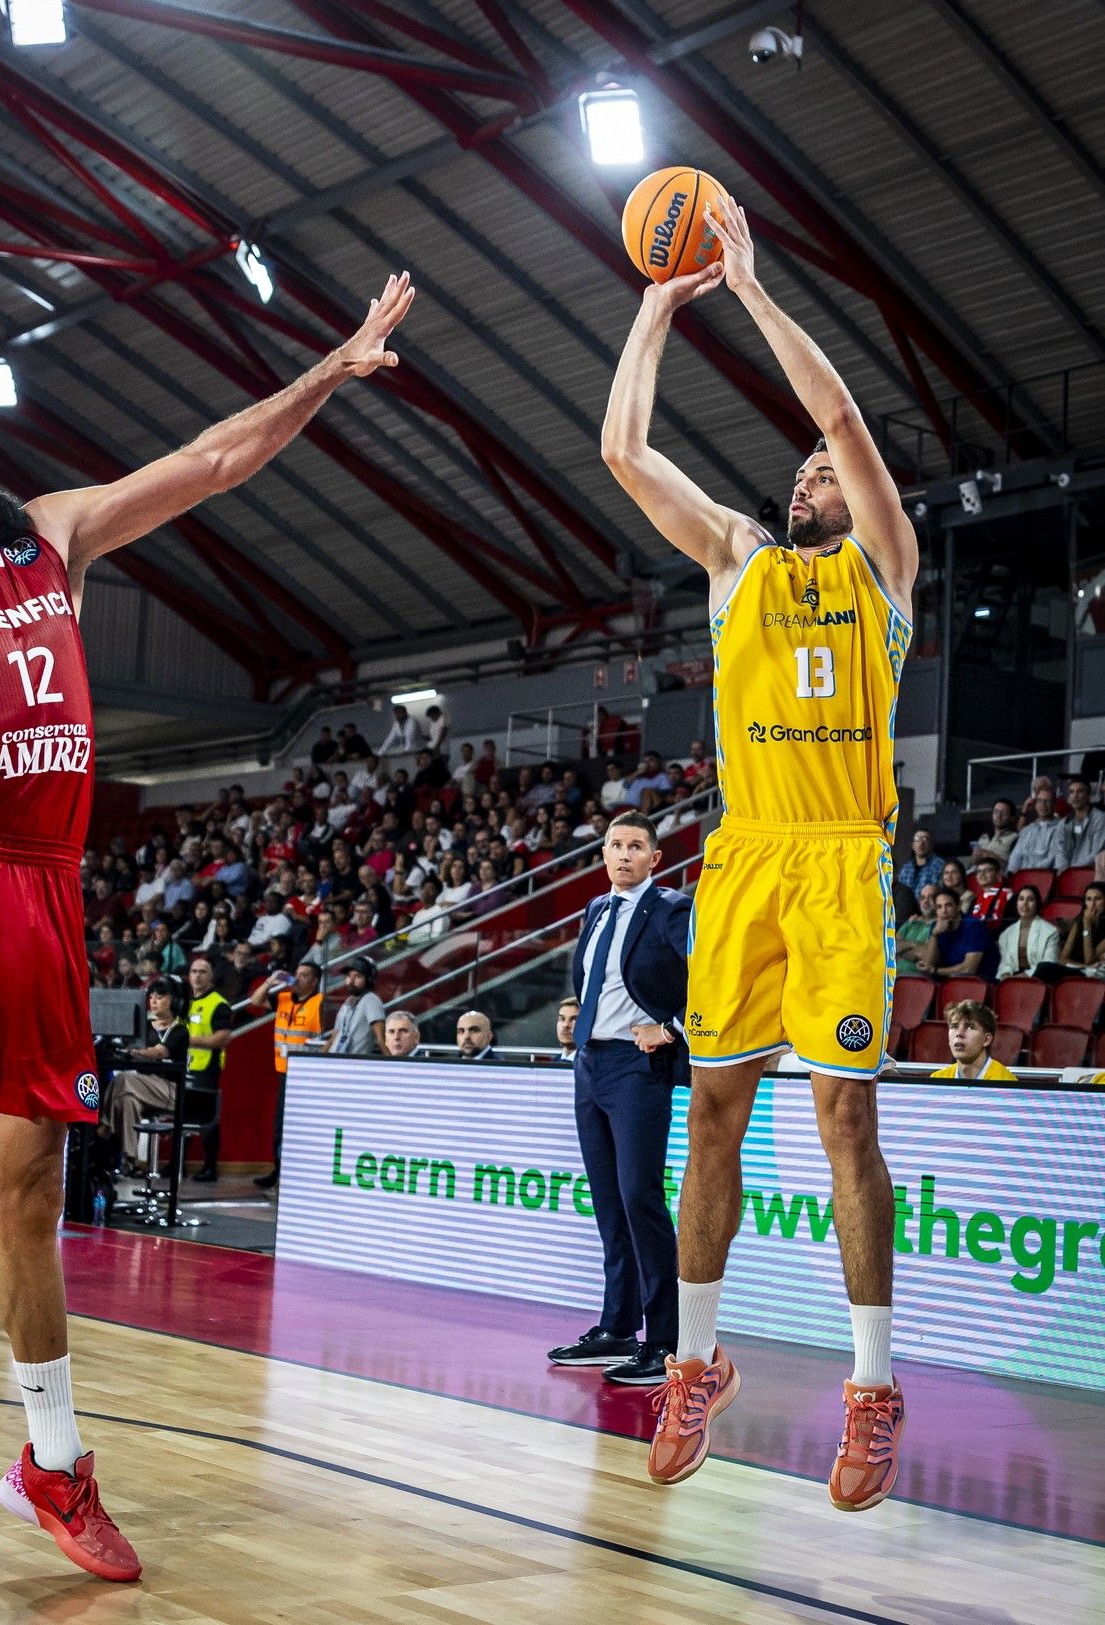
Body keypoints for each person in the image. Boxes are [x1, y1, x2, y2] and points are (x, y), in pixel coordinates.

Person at [0, 282, 431, 1578]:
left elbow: (212, 459)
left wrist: (329, 367)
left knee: (25, 1190)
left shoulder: (50, 534)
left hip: (40, 890)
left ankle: (52, 1461)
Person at [603, 195, 916, 1508]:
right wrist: (657, 309)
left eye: (824, 474)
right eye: (796, 476)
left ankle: (872, 1385)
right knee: (713, 1115)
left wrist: (750, 281)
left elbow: (841, 416)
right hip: (745, 863)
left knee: (844, 1116)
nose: (808, 479)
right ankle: (694, 1362)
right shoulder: (738, 560)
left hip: (843, 859)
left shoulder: (885, 575)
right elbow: (624, 449)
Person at [547, 813, 690, 1385]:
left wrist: (672, 1026)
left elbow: (710, 975)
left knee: (640, 1199)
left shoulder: (673, 908)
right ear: (603, 853)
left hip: (639, 1066)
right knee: (608, 1202)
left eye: (636, 846)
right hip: (591, 1063)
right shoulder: (595, 909)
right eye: (615, 845)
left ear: (655, 858)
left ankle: (665, 1339)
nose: (624, 854)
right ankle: (616, 1327)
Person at [247, 961, 323, 1192]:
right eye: (297, 973)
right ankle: (278, 1169)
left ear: (315, 981)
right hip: (284, 1072)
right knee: (280, 1125)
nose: (298, 979)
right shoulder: (283, 998)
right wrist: (271, 981)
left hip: (309, 1075)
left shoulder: (320, 1003)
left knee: (302, 1126)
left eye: (305, 975)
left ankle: (298, 1173)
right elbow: (254, 1001)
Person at [100, 978, 189, 1171]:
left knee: (123, 1080)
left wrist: (133, 1052)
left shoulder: (179, 1030)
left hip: (170, 1090)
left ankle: (103, 1128)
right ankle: (131, 1160)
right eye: (152, 997)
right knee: (126, 1101)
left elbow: (159, 1052)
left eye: (160, 996)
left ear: (173, 1001)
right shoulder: (144, 1027)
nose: (154, 1001)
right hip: (141, 1088)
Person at [183, 955, 233, 1181]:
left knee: (207, 1120)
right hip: (183, 1066)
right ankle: (178, 1164)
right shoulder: (185, 1002)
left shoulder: (218, 1003)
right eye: (194, 971)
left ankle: (210, 1166)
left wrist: (190, 1041)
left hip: (206, 1068)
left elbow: (223, 1037)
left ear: (211, 976)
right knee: (181, 1117)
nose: (197, 976)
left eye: (203, 972)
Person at [930, 1001, 1017, 1082]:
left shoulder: (1005, 1082)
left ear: (986, 1040)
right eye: (954, 1026)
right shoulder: (937, 1079)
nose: (959, 1034)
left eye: (970, 1027)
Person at [921, 888, 997, 980]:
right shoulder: (936, 926)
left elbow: (969, 969)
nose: (944, 911)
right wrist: (935, 935)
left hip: (978, 982)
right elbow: (929, 964)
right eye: (939, 907)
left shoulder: (974, 926)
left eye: (948, 905)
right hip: (948, 981)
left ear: (958, 906)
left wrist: (936, 971)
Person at [996, 886, 1061, 979]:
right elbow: (1005, 964)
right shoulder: (1006, 934)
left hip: (1037, 978)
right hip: (1013, 978)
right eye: (1021, 899)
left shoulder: (1050, 932)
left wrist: (1024, 976)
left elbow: (1049, 964)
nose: (1024, 903)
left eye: (1030, 900)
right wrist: (1005, 975)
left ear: (1037, 905)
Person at [328, 958, 386, 1056]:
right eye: (349, 975)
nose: (351, 980)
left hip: (353, 1064)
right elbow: (332, 1039)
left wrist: (394, 1064)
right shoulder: (347, 1002)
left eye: (358, 976)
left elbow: (381, 1041)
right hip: (335, 1060)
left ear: (369, 979)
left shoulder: (371, 1000)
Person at [1006, 788, 1063, 873]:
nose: (1043, 805)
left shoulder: (1063, 827)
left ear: (1054, 804)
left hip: (1046, 877)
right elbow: (1015, 857)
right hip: (1023, 878)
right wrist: (1011, 874)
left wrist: (1031, 872)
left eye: (1047, 801)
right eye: (1039, 801)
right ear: (1035, 805)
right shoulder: (1027, 830)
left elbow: (1055, 859)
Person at [1058, 883, 1105, 977]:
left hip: (1096, 976)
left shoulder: (1085, 921)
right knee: (1044, 967)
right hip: (1078, 970)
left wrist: (1087, 924)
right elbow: (1062, 959)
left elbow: (1089, 959)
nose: (1092, 904)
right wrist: (1082, 966)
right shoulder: (1079, 922)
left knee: (1044, 968)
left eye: (1098, 899)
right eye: (1089, 899)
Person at [1058, 777, 1105, 872]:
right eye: (1071, 792)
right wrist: (1064, 868)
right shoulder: (1064, 822)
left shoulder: (1100, 818)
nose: (1075, 796)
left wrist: (1073, 868)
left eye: (1080, 791)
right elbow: (1061, 852)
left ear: (1088, 795)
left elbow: (1097, 852)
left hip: (1091, 871)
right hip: (1068, 873)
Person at [968, 798, 1018, 871]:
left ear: (1012, 818)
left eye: (1003, 813)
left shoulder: (1015, 838)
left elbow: (1012, 870)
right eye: (996, 812)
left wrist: (988, 855)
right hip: (974, 874)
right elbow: (973, 863)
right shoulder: (984, 837)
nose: (998, 816)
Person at [897, 829, 944, 900]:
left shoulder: (939, 865)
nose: (921, 843)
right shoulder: (906, 869)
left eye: (925, 840)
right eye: (917, 840)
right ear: (912, 845)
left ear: (932, 845)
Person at [556, 995, 579, 1062]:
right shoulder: (551, 1064)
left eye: (574, 1019)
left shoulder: (592, 1067)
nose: (566, 1025)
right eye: (562, 1019)